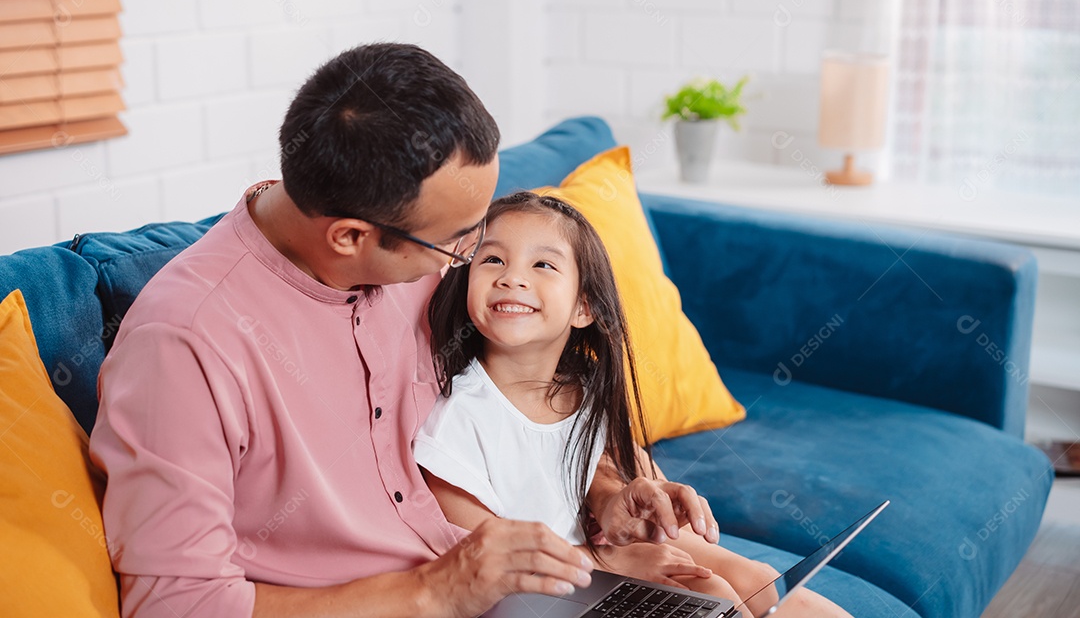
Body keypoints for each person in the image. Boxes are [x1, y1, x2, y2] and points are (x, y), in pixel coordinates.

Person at [89, 43, 715, 618]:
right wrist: (435, 590)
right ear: (351, 237)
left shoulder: (412, 254)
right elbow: (176, 604)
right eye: (458, 240)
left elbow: (525, 401)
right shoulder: (184, 343)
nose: (474, 258)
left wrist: (604, 492)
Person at [415, 191, 853, 618]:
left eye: (543, 264)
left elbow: (584, 468)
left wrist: (620, 504)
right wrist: (605, 563)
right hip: (539, 594)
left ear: (583, 307)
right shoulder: (459, 416)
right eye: (492, 259)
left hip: (589, 573)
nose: (512, 277)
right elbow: (478, 555)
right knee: (711, 588)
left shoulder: (580, 392)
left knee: (749, 576)